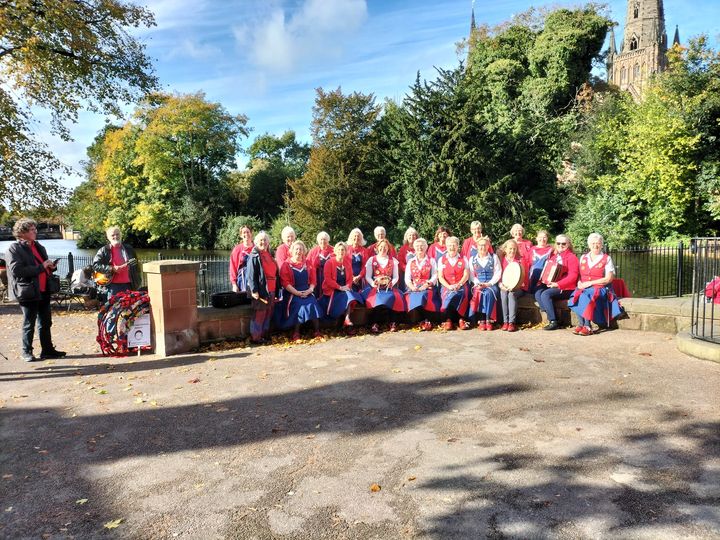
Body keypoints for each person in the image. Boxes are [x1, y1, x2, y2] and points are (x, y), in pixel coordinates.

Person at [6, 218, 65, 361]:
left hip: (43, 289)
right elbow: (17, 271)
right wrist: (41, 267)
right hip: (27, 291)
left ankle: (47, 350)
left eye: (35, 229)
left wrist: (51, 266)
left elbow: (43, 265)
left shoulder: (39, 246)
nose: (35, 232)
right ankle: (27, 352)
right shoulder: (14, 248)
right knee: (29, 323)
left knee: (45, 322)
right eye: (32, 229)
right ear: (22, 232)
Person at [568, 233, 623, 335]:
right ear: (589, 245)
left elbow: (608, 279)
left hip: (600, 288)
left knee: (585, 295)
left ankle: (587, 326)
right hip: (584, 286)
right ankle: (581, 324)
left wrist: (590, 283)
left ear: (602, 245)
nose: (595, 246)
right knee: (575, 295)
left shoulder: (607, 258)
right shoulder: (583, 257)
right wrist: (579, 282)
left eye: (598, 243)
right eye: (593, 243)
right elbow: (579, 274)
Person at [278, 240, 323, 342]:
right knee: (299, 305)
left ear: (303, 251)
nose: (298, 251)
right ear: (292, 250)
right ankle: (296, 333)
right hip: (292, 293)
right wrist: (297, 293)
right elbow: (285, 283)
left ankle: (317, 331)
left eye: (301, 249)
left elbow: (313, 280)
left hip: (307, 291)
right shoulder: (286, 264)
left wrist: (310, 290)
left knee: (313, 303)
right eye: (296, 249)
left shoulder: (308, 263)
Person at [534, 234, 580, 330]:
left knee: (545, 295)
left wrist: (558, 284)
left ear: (568, 244)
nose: (560, 245)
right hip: (553, 284)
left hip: (567, 288)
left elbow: (573, 276)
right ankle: (552, 314)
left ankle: (553, 321)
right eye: (558, 243)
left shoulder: (572, 257)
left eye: (563, 243)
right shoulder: (554, 256)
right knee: (538, 292)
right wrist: (544, 280)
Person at [362, 239, 405, 333]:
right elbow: (368, 276)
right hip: (375, 286)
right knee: (376, 298)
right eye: (381, 247)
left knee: (394, 297)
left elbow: (396, 277)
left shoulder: (393, 260)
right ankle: (374, 323)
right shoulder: (371, 260)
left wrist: (391, 283)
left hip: (388, 287)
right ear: (377, 248)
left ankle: (393, 322)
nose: (383, 249)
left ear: (388, 248)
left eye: (385, 247)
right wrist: (373, 283)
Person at [321, 242, 364, 335]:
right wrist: (339, 287)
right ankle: (346, 321)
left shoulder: (347, 263)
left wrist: (347, 286)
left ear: (345, 252)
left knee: (349, 295)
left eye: (343, 250)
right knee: (348, 296)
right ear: (335, 251)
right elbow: (328, 280)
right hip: (332, 289)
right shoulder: (329, 262)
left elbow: (349, 279)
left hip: (344, 288)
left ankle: (347, 319)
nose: (341, 251)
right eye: (339, 250)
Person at [245, 231, 280, 344]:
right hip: (260, 290)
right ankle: (256, 337)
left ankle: (264, 335)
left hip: (271, 289)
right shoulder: (254, 256)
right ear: (256, 242)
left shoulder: (269, 254)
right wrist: (254, 290)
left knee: (268, 313)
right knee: (259, 314)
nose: (263, 242)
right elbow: (250, 274)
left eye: (265, 240)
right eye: (261, 240)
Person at [92, 226, 140, 297]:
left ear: (121, 235)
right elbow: (95, 265)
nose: (115, 236)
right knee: (113, 307)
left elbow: (136, 267)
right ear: (108, 237)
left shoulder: (129, 249)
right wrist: (112, 268)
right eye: (113, 235)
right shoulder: (104, 250)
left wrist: (138, 281)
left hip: (129, 284)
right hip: (112, 286)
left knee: (129, 307)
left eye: (117, 234)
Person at [404, 237, 439, 331]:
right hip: (414, 286)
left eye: (422, 246)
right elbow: (407, 277)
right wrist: (412, 287)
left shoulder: (431, 260)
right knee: (412, 296)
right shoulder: (411, 261)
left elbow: (435, 275)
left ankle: (426, 320)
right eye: (418, 246)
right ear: (414, 248)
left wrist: (427, 285)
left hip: (427, 286)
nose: (420, 248)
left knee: (424, 295)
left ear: (426, 247)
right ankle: (420, 320)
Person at [437, 236, 471, 330]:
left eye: (454, 245)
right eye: (449, 245)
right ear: (446, 247)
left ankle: (461, 319)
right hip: (446, 285)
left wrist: (459, 284)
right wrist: (448, 286)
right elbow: (440, 277)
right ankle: (448, 320)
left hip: (461, 284)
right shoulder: (441, 260)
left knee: (462, 293)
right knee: (448, 295)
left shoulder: (463, 259)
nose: (452, 247)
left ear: (458, 246)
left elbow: (466, 275)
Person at [468, 236, 501, 330]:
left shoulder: (494, 257)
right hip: (478, 284)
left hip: (491, 284)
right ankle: (482, 319)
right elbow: (471, 274)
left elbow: (498, 272)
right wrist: (478, 283)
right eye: (480, 245)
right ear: (477, 247)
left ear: (488, 246)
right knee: (480, 292)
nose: (482, 247)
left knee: (489, 293)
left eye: (484, 245)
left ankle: (489, 319)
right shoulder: (472, 259)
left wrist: (489, 284)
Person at [498, 239, 524, 332]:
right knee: (503, 293)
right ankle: (505, 322)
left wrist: (515, 286)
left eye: (514, 249)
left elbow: (524, 278)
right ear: (505, 249)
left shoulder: (520, 260)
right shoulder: (500, 260)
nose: (512, 251)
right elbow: (498, 275)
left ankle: (512, 322)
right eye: (510, 248)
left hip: (518, 287)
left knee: (511, 294)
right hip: (504, 286)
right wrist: (501, 285)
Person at [307, 231, 334, 299]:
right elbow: (307, 263)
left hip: (330, 275)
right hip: (318, 275)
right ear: (318, 241)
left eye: (324, 239)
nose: (323, 241)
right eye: (321, 239)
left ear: (328, 240)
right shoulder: (313, 251)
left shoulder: (333, 250)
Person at [229, 224, 254, 293]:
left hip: (255, 279)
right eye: (244, 232)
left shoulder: (256, 248)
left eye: (248, 232)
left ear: (251, 233)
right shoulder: (237, 249)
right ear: (241, 235)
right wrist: (234, 284)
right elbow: (233, 268)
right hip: (242, 280)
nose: (246, 234)